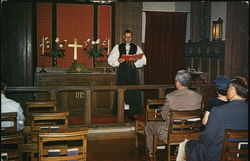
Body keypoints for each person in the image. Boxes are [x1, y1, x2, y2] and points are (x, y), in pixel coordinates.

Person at [185, 76, 248, 161]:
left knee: (190, 144)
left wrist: (201, 137)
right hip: (243, 154)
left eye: (228, 88)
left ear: (232, 90)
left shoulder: (218, 111)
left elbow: (207, 138)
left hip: (218, 155)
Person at [145, 70, 202, 161]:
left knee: (148, 125)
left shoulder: (170, 96)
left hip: (170, 134)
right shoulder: (198, 96)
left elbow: (163, 116)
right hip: (191, 133)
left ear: (178, 82)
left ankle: (151, 154)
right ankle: (177, 150)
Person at [108, 29, 146, 120]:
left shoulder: (136, 47)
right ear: (123, 37)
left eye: (130, 37)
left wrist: (136, 61)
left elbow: (143, 61)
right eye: (126, 37)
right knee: (122, 91)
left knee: (133, 92)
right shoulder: (118, 47)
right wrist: (118, 61)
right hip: (122, 72)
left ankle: (132, 113)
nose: (128, 39)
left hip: (133, 73)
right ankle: (122, 112)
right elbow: (110, 60)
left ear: (132, 37)